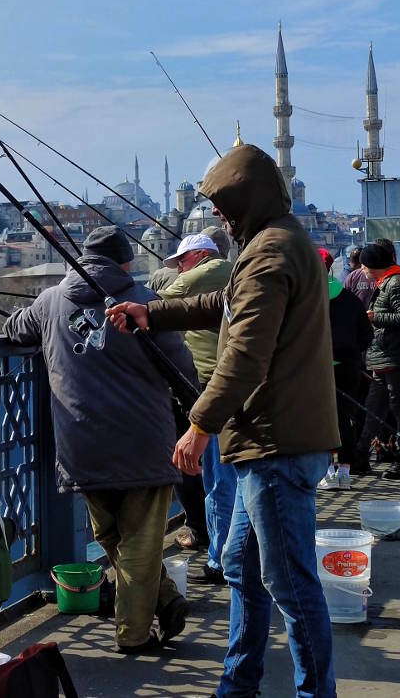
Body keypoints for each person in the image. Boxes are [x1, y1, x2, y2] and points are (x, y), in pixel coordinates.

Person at [105, 145, 339, 698]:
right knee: (239, 563)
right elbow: (223, 303)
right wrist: (151, 311)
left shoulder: (270, 253)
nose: (222, 219)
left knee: (291, 587)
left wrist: (200, 425)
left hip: (273, 444)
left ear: (249, 201)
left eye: (227, 208)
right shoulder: (275, 244)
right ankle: (238, 685)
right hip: (272, 441)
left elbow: (246, 357)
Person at [2, 225, 195, 653]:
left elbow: (17, 327)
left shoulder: (51, 301)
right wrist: (199, 416)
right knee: (141, 540)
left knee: (111, 534)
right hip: (143, 443)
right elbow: (181, 371)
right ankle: (134, 635)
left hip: (80, 444)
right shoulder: (147, 303)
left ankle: (164, 600)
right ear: (126, 263)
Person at [157, 232, 235, 585]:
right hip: (228, 383)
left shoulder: (208, 271)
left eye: (183, 262)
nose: (179, 270)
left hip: (210, 385)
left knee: (217, 477)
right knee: (223, 473)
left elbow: (159, 302)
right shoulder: (231, 271)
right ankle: (228, 548)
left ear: (201, 255)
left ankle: (221, 560)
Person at [350, 242, 400, 480]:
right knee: (374, 408)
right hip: (383, 357)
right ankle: (360, 457)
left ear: (375, 265)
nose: (362, 270)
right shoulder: (388, 282)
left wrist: (375, 317)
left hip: (396, 357)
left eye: (365, 265)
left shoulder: (399, 283)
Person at [318, 248, 374, 490]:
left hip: (317, 368)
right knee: (346, 418)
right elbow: (366, 335)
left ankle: (328, 471)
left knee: (323, 421)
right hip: (348, 367)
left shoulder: (307, 299)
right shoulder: (350, 299)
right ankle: (346, 472)